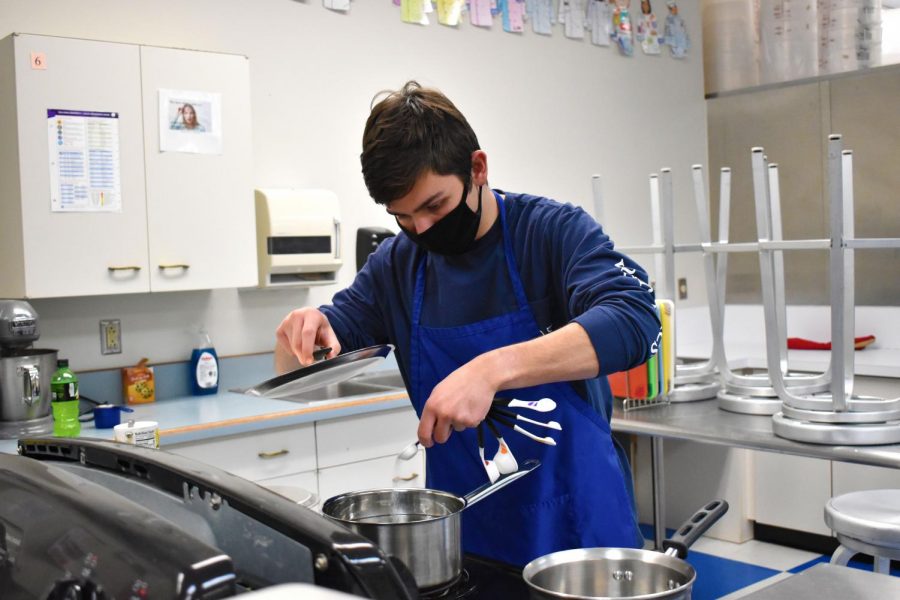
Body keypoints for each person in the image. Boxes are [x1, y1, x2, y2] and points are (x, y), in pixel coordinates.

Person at [275, 81, 660, 567]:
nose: (424, 231)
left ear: (477, 168)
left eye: (435, 206)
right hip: (462, 544)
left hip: (583, 537)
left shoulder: (551, 233)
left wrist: (491, 370)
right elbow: (317, 352)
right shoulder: (397, 265)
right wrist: (302, 334)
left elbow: (634, 321)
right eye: (404, 218)